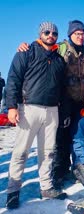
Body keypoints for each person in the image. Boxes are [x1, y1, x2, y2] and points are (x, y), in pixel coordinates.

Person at [16, 20, 84, 189]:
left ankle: (73, 167)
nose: (81, 36)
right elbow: (45, 55)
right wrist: (26, 46)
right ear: (70, 35)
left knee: (75, 136)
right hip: (63, 100)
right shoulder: (61, 48)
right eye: (77, 34)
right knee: (60, 138)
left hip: (80, 101)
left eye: (83, 34)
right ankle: (58, 173)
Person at [5, 22, 67, 209]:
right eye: (47, 32)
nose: (51, 35)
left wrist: (62, 110)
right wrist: (11, 107)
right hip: (29, 108)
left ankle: (46, 187)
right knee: (21, 151)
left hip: (52, 110)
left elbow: (62, 88)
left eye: (54, 33)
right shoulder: (26, 52)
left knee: (48, 152)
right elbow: (13, 79)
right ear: (40, 34)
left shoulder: (59, 60)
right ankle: (13, 191)